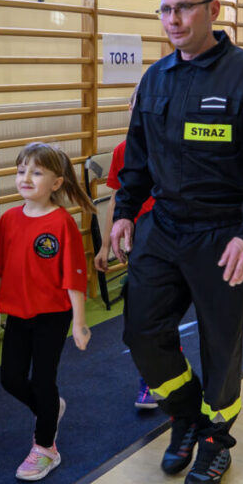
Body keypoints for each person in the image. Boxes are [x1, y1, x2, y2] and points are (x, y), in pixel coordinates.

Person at [109, 0, 243, 484]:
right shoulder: (156, 78)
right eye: (166, 10)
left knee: (220, 344)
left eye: (184, 8)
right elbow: (137, 156)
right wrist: (124, 211)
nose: (174, 19)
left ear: (213, 10)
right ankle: (186, 414)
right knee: (141, 331)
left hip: (224, 232)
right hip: (163, 227)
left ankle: (214, 439)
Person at [0, 142, 93, 481]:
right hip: (18, 315)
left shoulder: (61, 223)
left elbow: (74, 279)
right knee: (10, 379)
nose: (26, 177)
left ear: (56, 183)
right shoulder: (9, 219)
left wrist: (80, 324)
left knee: (43, 380)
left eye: (37, 172)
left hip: (52, 316)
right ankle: (50, 409)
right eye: (21, 170)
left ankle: (45, 448)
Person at [94, 88, 158, 410]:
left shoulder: (171, 148)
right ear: (130, 109)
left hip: (168, 241)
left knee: (160, 315)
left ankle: (162, 378)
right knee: (139, 317)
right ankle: (151, 378)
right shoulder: (123, 150)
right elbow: (116, 201)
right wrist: (105, 244)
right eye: (137, 106)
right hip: (139, 244)